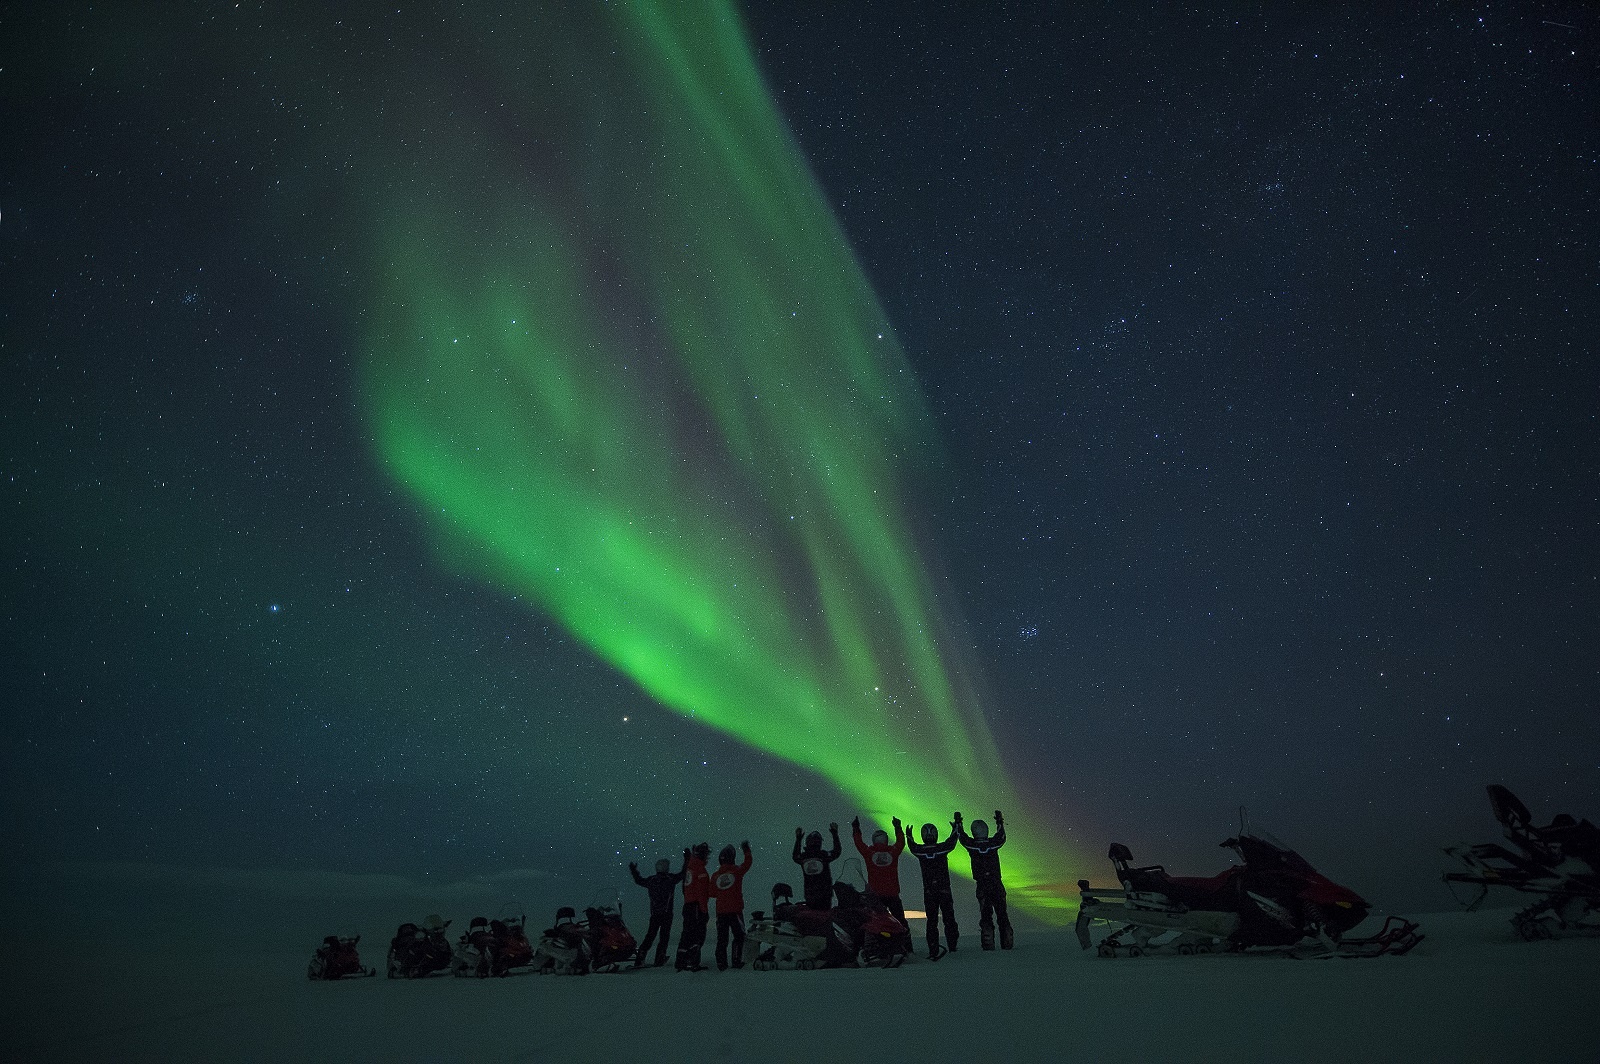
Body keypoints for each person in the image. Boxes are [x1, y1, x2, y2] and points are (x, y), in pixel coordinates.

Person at [955, 809, 1013, 950]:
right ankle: (1007, 943)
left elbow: (961, 837)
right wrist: (999, 821)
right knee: (1002, 914)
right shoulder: (993, 844)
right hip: (996, 883)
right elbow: (1002, 836)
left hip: (982, 885)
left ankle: (988, 944)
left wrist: (958, 823)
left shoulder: (972, 846)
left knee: (986, 916)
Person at [906, 818, 960, 959]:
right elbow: (952, 842)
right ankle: (952, 947)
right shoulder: (941, 848)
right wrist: (956, 829)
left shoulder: (921, 851)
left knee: (932, 921)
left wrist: (909, 836)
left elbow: (912, 847)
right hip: (943, 890)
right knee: (948, 919)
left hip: (930, 891)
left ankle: (933, 949)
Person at [852, 815, 907, 927]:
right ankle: (906, 943)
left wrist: (856, 829)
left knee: (872, 922)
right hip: (892, 894)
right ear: (886, 839)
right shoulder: (893, 852)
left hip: (875, 895)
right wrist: (898, 828)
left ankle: (872, 943)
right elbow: (901, 843)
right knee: (900, 922)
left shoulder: (869, 853)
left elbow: (859, 843)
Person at [629, 856, 684, 967]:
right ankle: (660, 957)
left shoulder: (652, 880)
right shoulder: (670, 879)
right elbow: (683, 873)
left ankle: (640, 958)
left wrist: (634, 870)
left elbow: (638, 880)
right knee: (664, 937)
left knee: (650, 936)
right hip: (667, 914)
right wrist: (687, 858)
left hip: (655, 914)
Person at [709, 841, 754, 970]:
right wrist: (746, 850)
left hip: (721, 912)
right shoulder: (736, 871)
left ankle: (721, 963)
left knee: (722, 939)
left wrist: (722, 893)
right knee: (739, 936)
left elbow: (712, 893)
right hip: (735, 911)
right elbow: (748, 863)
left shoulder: (716, 875)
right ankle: (736, 960)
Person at [675, 842, 713, 971]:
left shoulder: (690, 868)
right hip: (696, 907)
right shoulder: (700, 870)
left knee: (686, 934)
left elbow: (684, 889)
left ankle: (681, 961)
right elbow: (702, 893)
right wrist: (704, 911)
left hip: (688, 905)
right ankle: (693, 962)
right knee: (698, 935)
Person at [792, 823, 842, 910]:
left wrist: (798, 839)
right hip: (825, 894)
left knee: (812, 918)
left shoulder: (804, 857)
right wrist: (835, 834)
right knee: (825, 917)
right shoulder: (823, 855)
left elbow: (795, 856)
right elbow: (837, 851)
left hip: (810, 893)